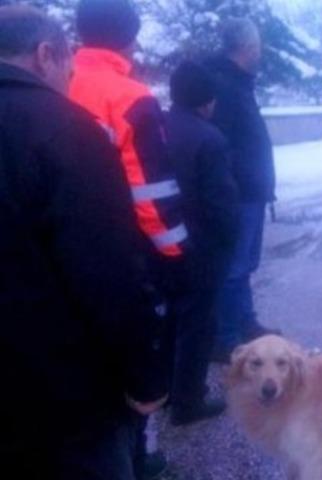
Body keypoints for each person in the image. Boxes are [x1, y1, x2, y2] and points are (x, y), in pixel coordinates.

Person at [0, 6, 169, 479]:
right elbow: (106, 271)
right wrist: (144, 375)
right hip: (60, 392)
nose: (70, 81)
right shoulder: (65, 129)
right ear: (45, 54)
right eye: (67, 70)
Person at [69, 0, 189, 476]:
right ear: (130, 40)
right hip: (124, 246)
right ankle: (144, 454)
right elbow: (151, 190)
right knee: (140, 348)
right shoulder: (130, 95)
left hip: (61, 242)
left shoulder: (57, 82)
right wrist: (177, 252)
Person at [165, 61, 239, 425]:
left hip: (163, 238)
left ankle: (165, 389)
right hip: (202, 248)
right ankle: (188, 401)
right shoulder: (210, 139)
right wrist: (230, 241)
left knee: (170, 321)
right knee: (198, 324)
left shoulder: (157, 127)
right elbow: (222, 205)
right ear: (207, 101)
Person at [206, 18, 275, 358]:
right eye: (258, 44)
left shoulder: (239, 82)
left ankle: (246, 322)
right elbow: (222, 145)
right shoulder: (225, 85)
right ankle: (227, 338)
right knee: (234, 267)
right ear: (248, 48)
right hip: (239, 195)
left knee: (245, 264)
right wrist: (235, 186)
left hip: (251, 192)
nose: (260, 50)